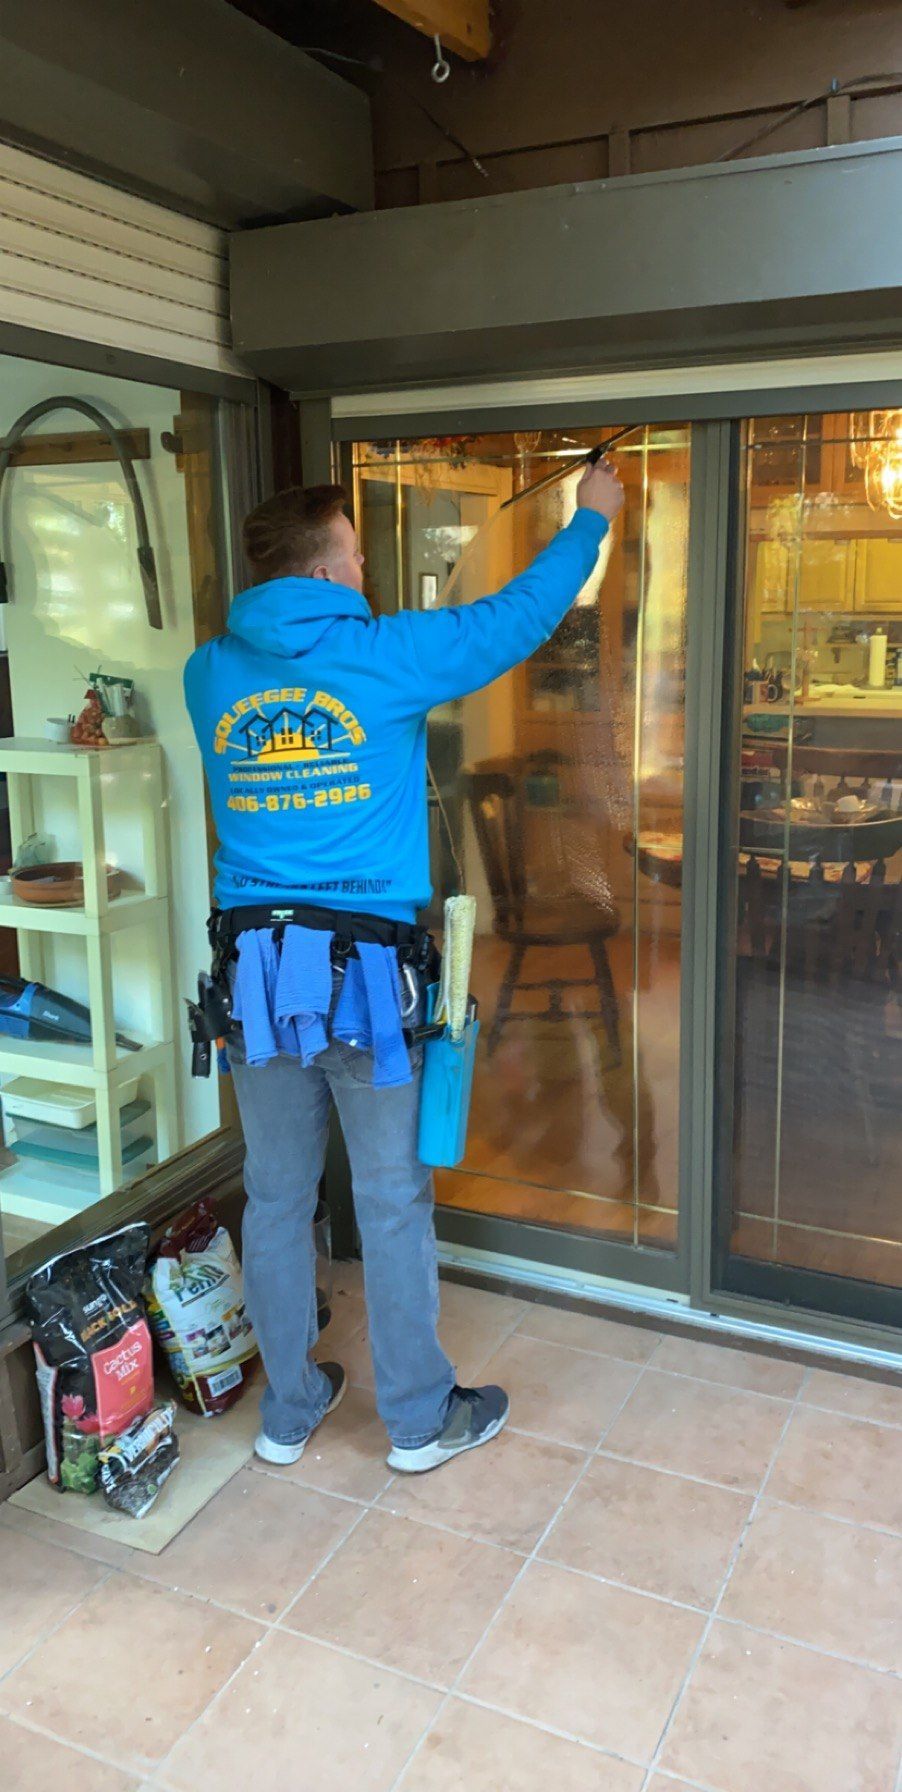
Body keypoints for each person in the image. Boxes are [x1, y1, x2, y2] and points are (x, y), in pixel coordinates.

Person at [184, 455, 624, 1474]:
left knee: (279, 1195)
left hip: (254, 982)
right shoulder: (383, 656)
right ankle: (418, 1420)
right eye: (355, 556)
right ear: (330, 570)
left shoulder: (208, 672)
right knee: (387, 1196)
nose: (367, 577)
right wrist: (588, 518)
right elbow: (514, 618)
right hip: (363, 988)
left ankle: (289, 1411)